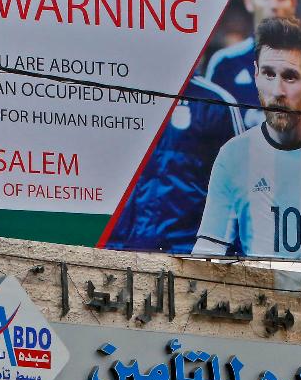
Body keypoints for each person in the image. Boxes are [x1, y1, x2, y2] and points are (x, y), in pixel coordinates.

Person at [193, 17, 301, 262]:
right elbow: (209, 248)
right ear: (255, 75)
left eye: (290, 77)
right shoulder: (232, 156)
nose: (277, 91)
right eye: (268, 74)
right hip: (259, 298)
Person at [103, 75, 244, 253]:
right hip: (116, 249)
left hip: (185, 253)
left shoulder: (216, 103)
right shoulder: (108, 92)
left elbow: (241, 190)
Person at [205, 0, 298, 129]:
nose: (273, 4)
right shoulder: (224, 63)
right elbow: (208, 128)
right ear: (249, 0)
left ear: (293, 2)